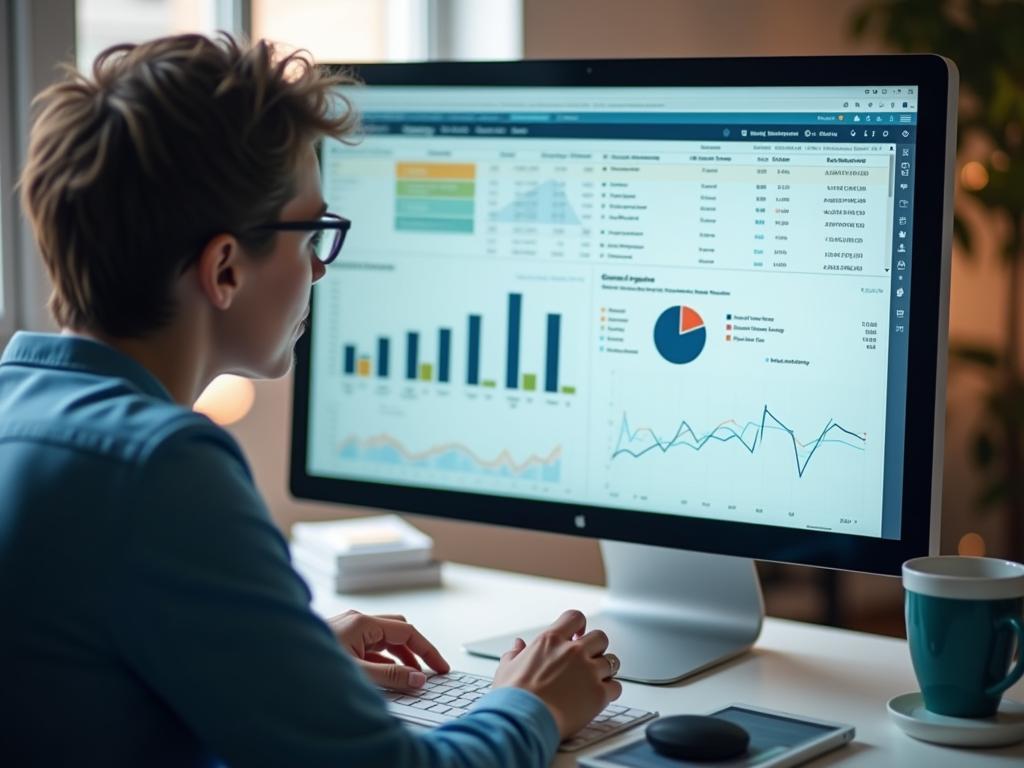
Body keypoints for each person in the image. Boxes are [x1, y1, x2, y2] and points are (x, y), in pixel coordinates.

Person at [0, 33, 621, 767]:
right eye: (312, 235)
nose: (319, 273)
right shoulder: (160, 469)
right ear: (225, 269)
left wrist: (275, 660)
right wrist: (532, 703)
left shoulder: (23, 412)